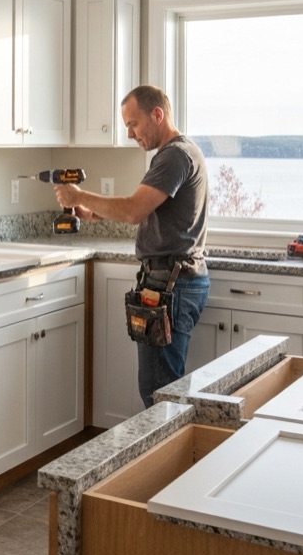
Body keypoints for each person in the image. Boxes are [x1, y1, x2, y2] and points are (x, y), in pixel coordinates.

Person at [55, 84, 210, 409]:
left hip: (170, 285)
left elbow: (133, 209)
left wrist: (79, 196)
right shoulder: (178, 153)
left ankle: (167, 461)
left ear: (157, 114)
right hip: (175, 282)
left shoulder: (174, 156)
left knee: (160, 394)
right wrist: (93, 212)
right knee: (164, 389)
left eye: (133, 124)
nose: (129, 134)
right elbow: (149, 210)